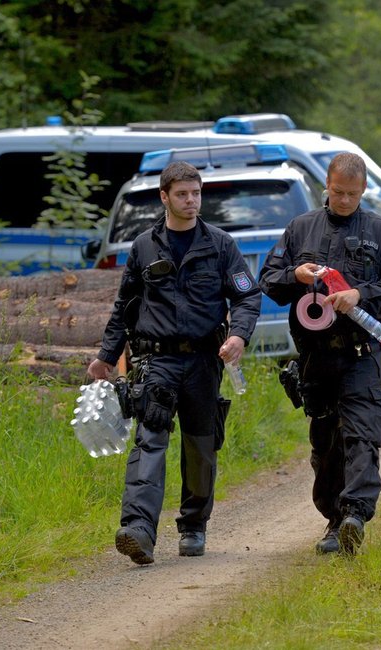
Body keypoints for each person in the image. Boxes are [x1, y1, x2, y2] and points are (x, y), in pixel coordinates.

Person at [87, 161, 262, 565]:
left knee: (201, 448)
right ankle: (138, 530)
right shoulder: (144, 247)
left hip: (204, 361)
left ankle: (194, 526)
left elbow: (247, 296)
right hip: (158, 361)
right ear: (164, 197)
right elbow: (124, 308)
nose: (191, 201)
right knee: (150, 441)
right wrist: (106, 357)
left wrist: (238, 335)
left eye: (196, 193)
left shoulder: (220, 245)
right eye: (182, 194)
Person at [258, 152, 381, 555]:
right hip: (315, 358)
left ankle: (355, 514)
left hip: (359, 353)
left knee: (361, 434)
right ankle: (334, 520)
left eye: (352, 194)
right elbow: (268, 281)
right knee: (326, 445)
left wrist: (361, 293)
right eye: (338, 192)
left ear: (364, 191)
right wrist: (296, 274)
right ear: (326, 185)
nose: (344, 200)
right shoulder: (300, 229)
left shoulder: (380, 231)